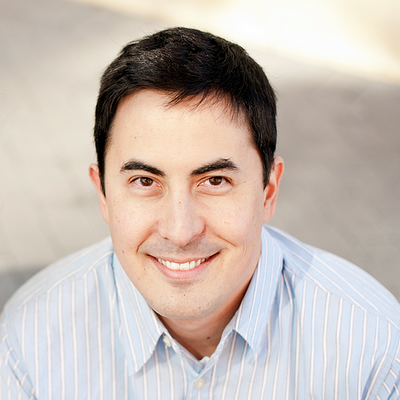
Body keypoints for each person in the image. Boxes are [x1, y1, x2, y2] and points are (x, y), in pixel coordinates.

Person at [1, 27, 399, 399]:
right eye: (144, 181)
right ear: (103, 193)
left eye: (215, 181)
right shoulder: (31, 342)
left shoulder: (374, 352)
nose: (180, 231)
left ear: (269, 190)